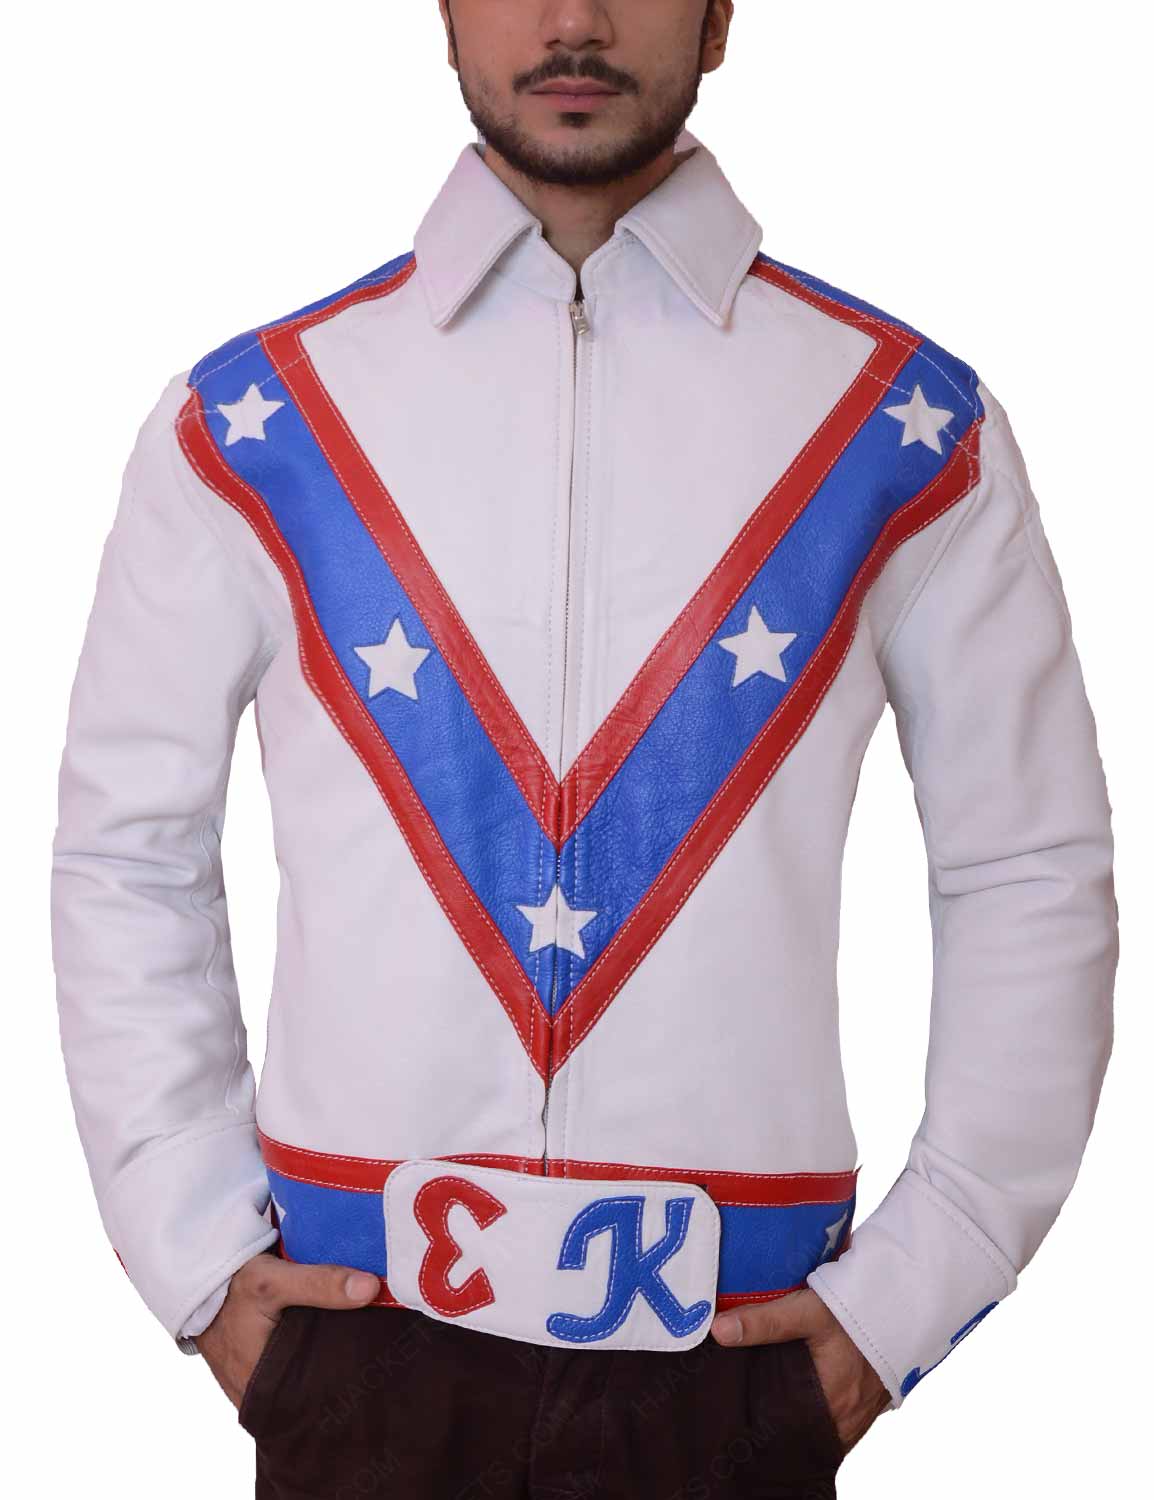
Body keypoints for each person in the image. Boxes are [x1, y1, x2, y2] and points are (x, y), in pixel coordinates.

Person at [50, 2, 1118, 1496]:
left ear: (720, 13)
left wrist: (912, 1294)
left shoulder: (911, 429)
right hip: (352, 1340)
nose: (573, 19)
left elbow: (1027, 870)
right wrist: (196, 1255)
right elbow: (127, 855)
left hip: (742, 1354)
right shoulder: (250, 423)